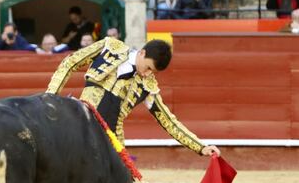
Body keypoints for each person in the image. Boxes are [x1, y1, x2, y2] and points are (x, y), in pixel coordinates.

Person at [46, 37, 220, 157]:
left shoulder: (148, 86)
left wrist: (201, 147)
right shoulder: (109, 47)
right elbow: (70, 63)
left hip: (111, 140)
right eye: (149, 68)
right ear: (142, 53)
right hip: (80, 124)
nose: (147, 74)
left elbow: (168, 121)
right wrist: (50, 97)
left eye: (153, 72)